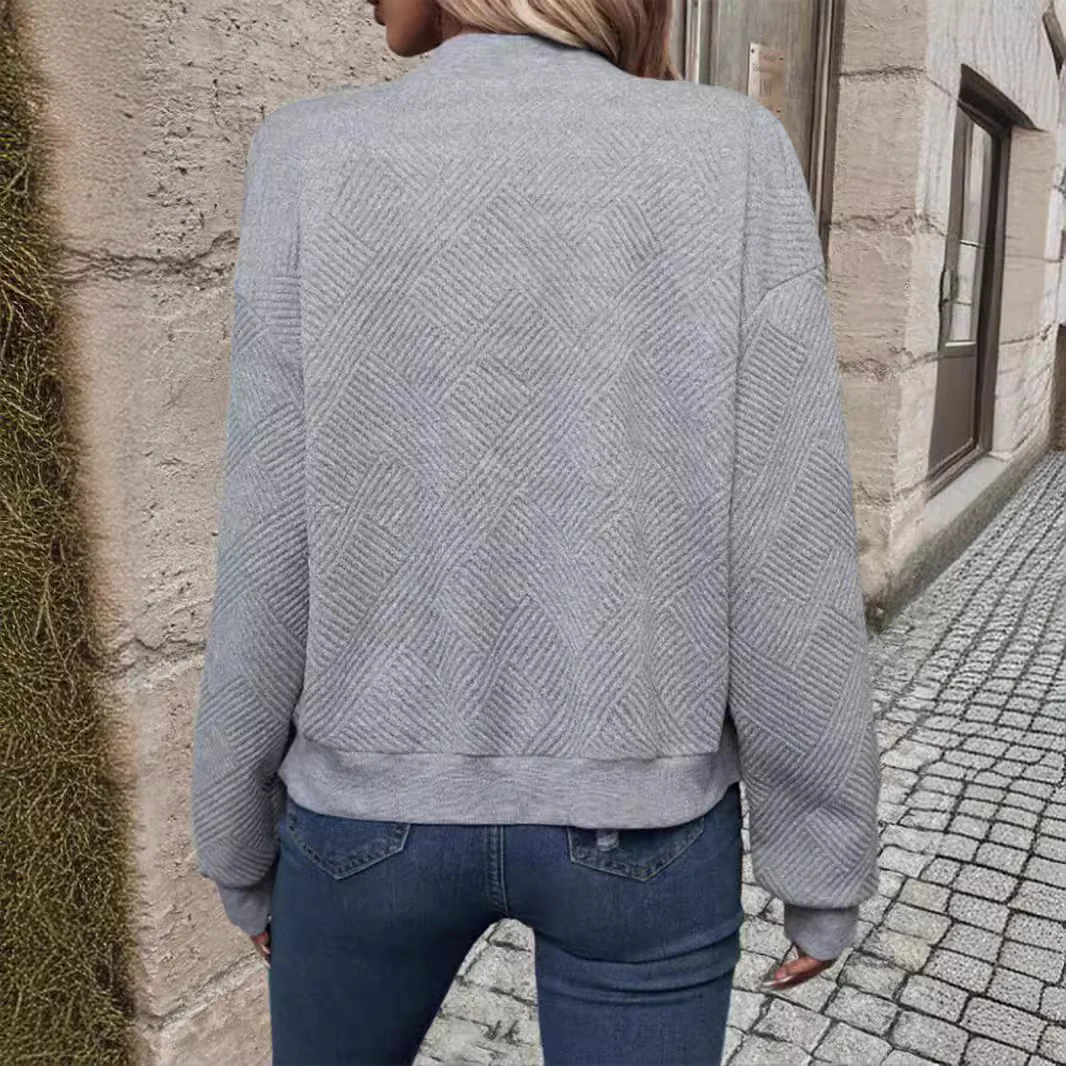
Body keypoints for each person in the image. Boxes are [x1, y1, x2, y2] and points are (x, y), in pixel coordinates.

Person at [190, 0, 882, 1062]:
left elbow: (269, 528)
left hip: (366, 820)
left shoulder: (310, 154)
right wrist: (821, 862)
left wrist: (235, 839)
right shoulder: (729, 151)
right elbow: (789, 540)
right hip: (640, 824)